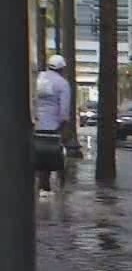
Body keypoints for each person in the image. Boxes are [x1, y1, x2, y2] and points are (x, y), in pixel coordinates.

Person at [35, 55, 72, 195]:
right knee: (51, 156)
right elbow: (64, 110)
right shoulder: (62, 84)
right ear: (62, 68)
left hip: (35, 123)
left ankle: (41, 184)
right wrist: (64, 125)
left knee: (37, 154)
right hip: (52, 126)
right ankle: (48, 186)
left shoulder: (38, 78)